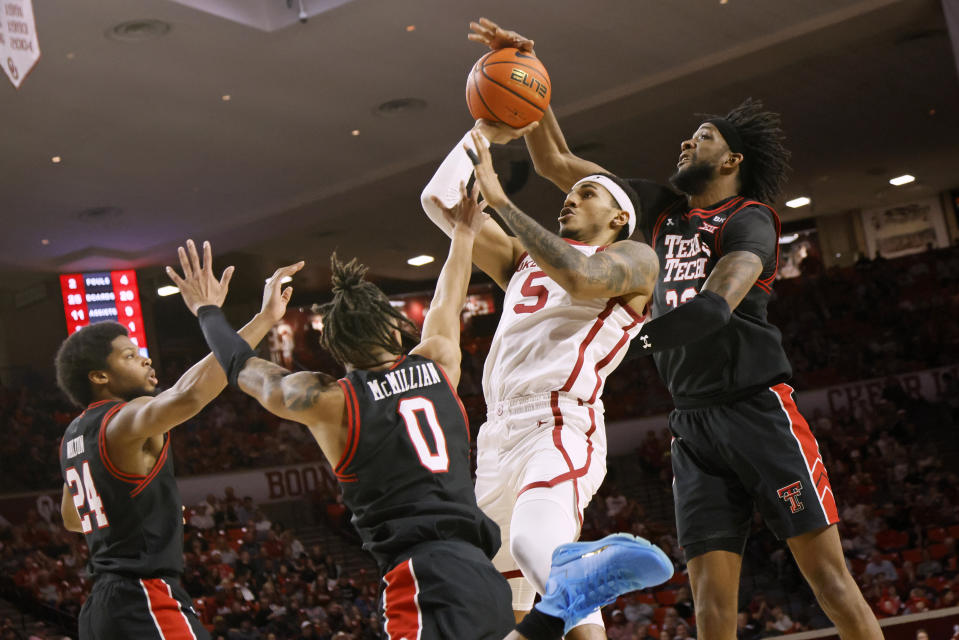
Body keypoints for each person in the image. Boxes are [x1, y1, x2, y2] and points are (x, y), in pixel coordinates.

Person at [466, 16, 883, 640]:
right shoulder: (660, 211)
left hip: (756, 409)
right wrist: (531, 75)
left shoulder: (750, 220)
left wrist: (644, 337)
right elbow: (554, 157)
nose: (687, 145)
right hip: (692, 422)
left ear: (732, 159)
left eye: (703, 137)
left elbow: (718, 304)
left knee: (829, 582)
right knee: (710, 605)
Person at [170, 190, 672, 640]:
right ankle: (554, 612)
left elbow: (242, 368)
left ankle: (561, 605)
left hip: (423, 576)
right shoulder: (438, 363)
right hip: (479, 571)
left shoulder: (328, 401)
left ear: (335, 351)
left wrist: (211, 313)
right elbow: (446, 299)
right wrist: (462, 235)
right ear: (395, 334)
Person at [420, 105, 659, 634]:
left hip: (559, 424)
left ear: (620, 217)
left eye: (586, 194)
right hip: (495, 435)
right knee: (492, 598)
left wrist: (502, 202)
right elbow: (439, 203)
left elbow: (580, 277)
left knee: (541, 550)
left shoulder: (637, 259)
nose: (569, 198)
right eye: (570, 194)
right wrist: (482, 131)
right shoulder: (526, 259)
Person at [55, 239, 302, 639]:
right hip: (143, 599)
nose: (146, 358)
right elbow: (188, 393)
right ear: (99, 376)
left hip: (100, 609)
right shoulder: (123, 420)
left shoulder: (72, 435)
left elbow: (72, 517)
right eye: (130, 356)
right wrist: (248, 318)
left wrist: (137, 513)